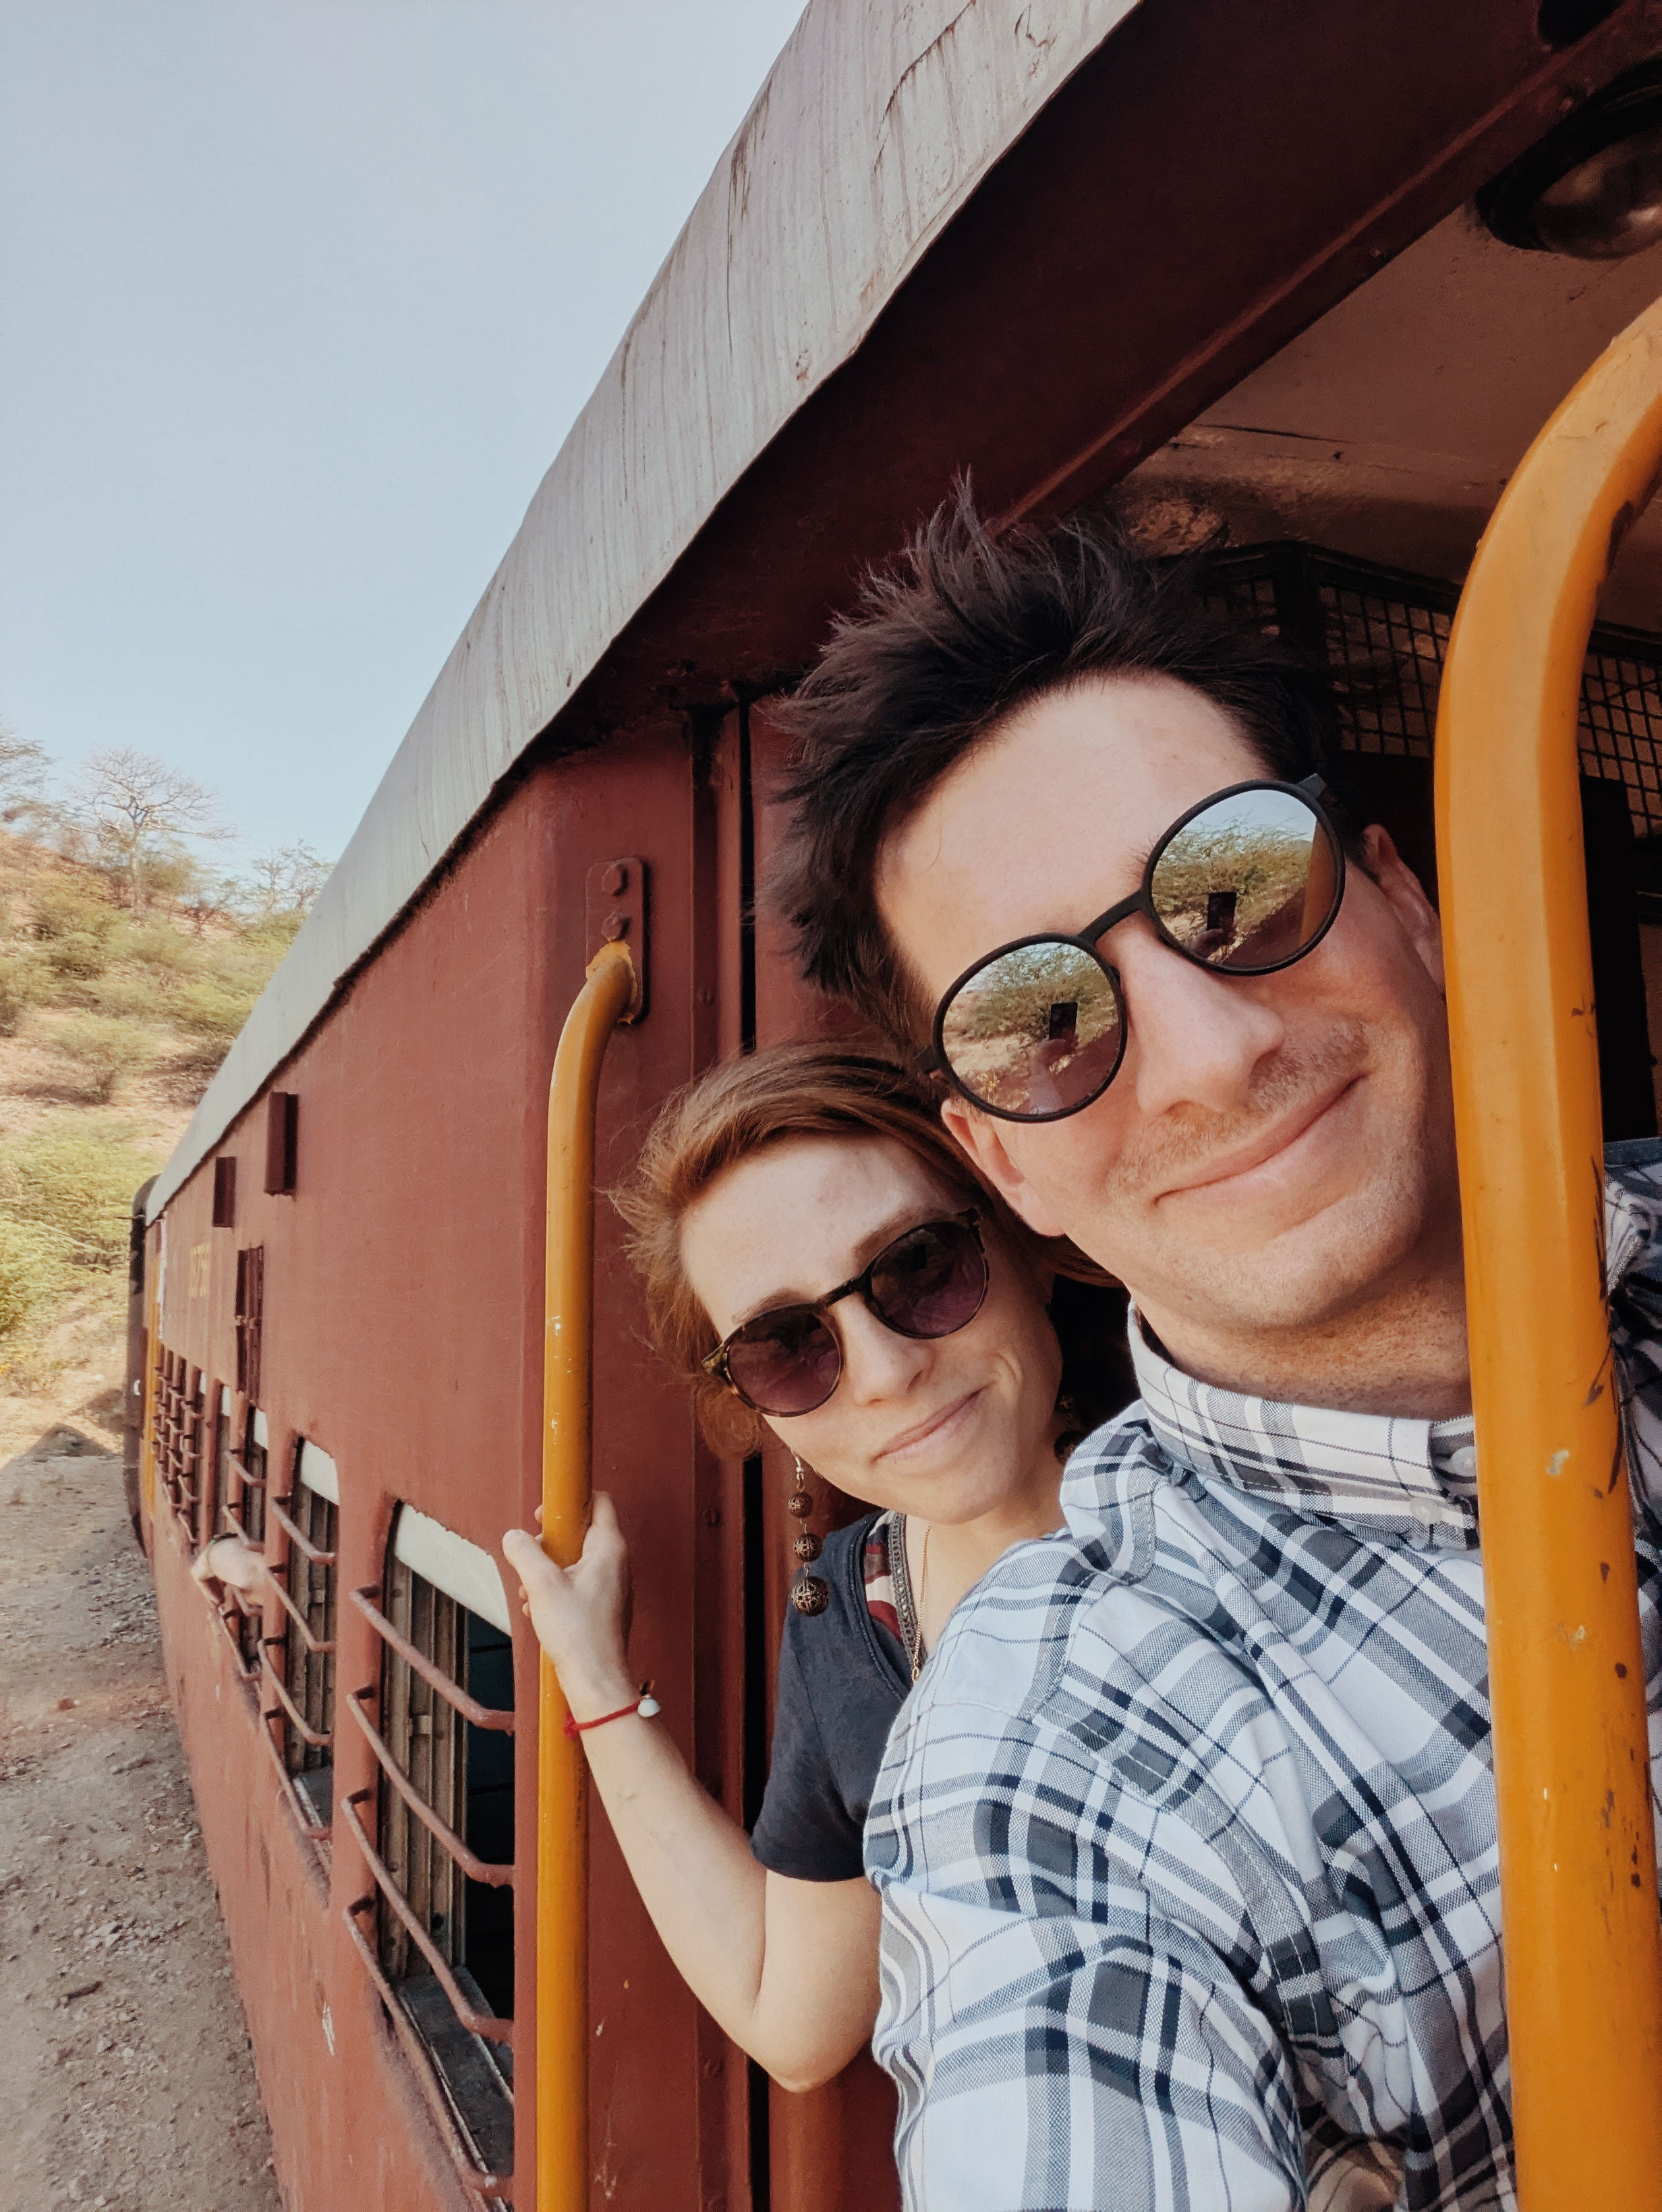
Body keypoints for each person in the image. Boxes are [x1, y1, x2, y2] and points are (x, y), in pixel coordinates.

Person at [768, 492, 1662, 2208]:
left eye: (1236, 883)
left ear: (1397, 893)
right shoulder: (1059, 1757)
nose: (1204, 1052)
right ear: (1000, 1160)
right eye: (1035, 1019)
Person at [502, 1043, 1128, 2093]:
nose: (885, 1372)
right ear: (750, 1403)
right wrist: (593, 1678)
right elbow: (789, 2017)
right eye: (787, 1346)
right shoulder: (854, 1619)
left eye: (922, 1265)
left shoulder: (1249, 1483)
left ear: (1020, 1236)